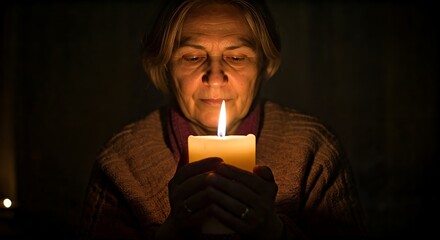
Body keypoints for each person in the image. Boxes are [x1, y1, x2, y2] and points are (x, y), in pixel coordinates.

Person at [78, 0, 368, 239]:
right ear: (165, 66)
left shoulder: (312, 148)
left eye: (236, 58)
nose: (215, 78)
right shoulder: (123, 160)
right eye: (192, 57)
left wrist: (273, 232)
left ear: (264, 64)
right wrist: (172, 233)